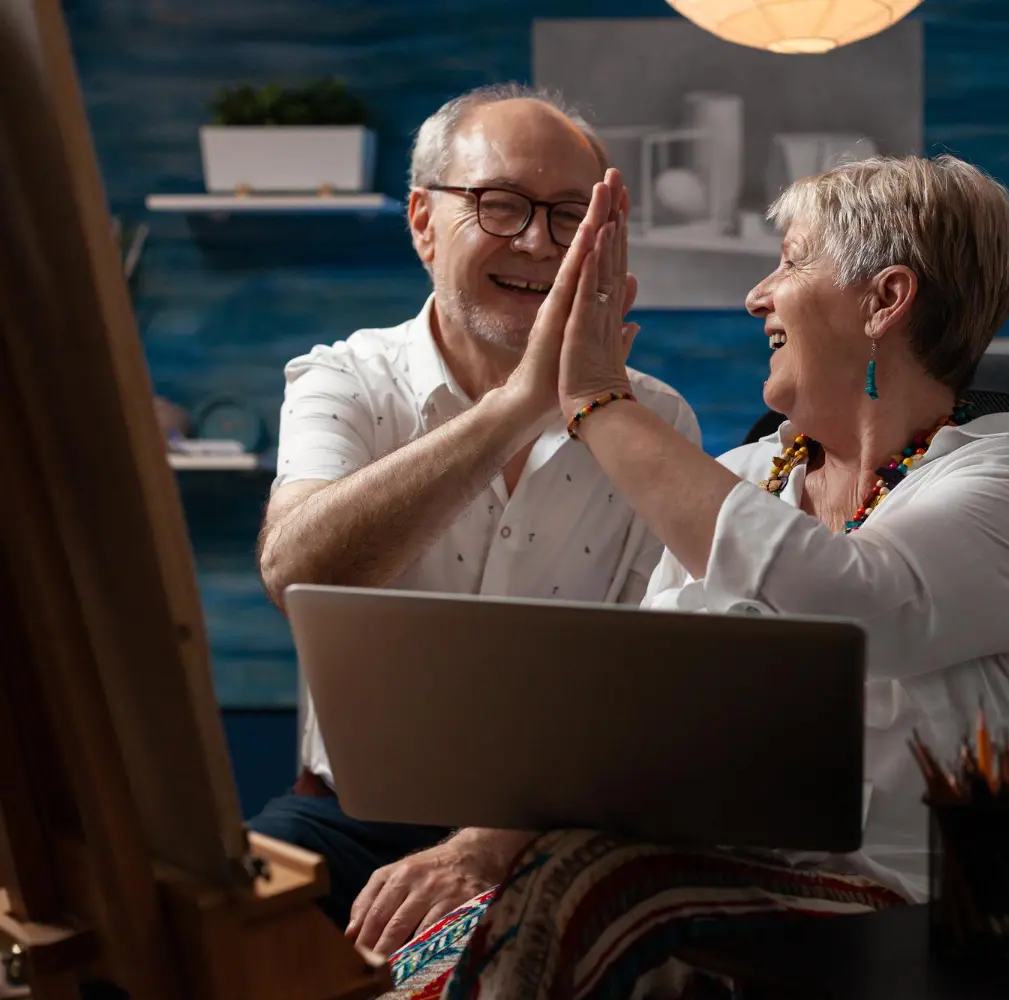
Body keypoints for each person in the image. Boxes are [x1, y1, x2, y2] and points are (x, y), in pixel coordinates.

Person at [377, 155, 1009, 999]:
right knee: (414, 944)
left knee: (594, 889)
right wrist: (483, 845)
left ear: (885, 300)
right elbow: (639, 700)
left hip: (913, 902)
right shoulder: (749, 473)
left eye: (792, 261)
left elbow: (854, 601)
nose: (759, 295)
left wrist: (599, 401)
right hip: (710, 866)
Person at [245, 84, 700, 942]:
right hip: (348, 815)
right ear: (423, 221)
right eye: (499, 205)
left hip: (560, 826)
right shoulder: (343, 379)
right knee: (203, 937)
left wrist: (488, 848)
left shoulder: (659, 420)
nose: (537, 242)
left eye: (571, 216)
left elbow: (651, 687)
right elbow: (296, 573)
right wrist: (520, 408)